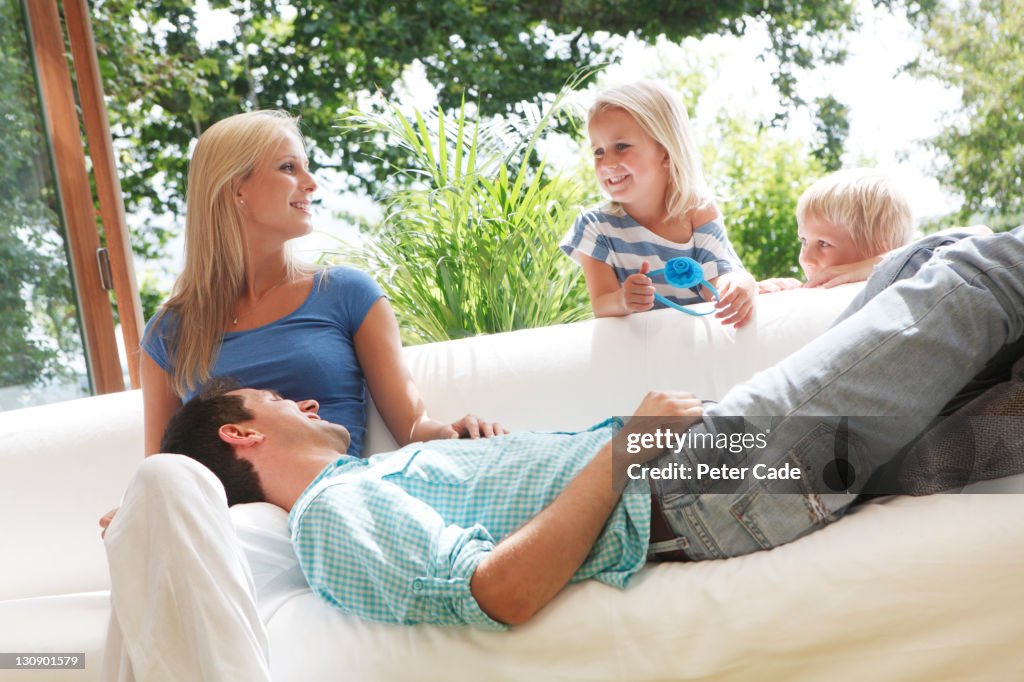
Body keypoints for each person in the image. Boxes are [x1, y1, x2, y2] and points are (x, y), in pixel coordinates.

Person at [136, 227, 1023, 638]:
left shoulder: (375, 481)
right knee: (974, 274)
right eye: (279, 404)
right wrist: (625, 448)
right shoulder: (331, 514)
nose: (311, 406)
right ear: (241, 437)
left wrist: (460, 456)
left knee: (942, 297)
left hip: (726, 468)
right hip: (714, 476)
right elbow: (497, 593)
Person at [98, 110, 504, 681]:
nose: (311, 184)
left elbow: (411, 421)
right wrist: (140, 513)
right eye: (289, 168)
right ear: (235, 189)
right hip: (224, 517)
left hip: (317, 508)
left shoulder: (344, 293)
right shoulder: (170, 331)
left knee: (162, 562)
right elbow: (164, 461)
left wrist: (451, 431)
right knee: (155, 519)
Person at [559, 81, 757, 326]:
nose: (607, 162)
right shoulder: (594, 226)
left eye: (621, 146)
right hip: (638, 354)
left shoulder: (698, 211)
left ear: (665, 152)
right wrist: (623, 300)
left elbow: (716, 283)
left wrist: (742, 284)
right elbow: (601, 303)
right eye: (598, 151)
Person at [758, 167, 989, 293]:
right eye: (804, 241)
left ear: (879, 251)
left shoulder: (910, 284)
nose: (806, 258)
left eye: (824, 244)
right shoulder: (819, 292)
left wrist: (877, 266)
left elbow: (981, 234)